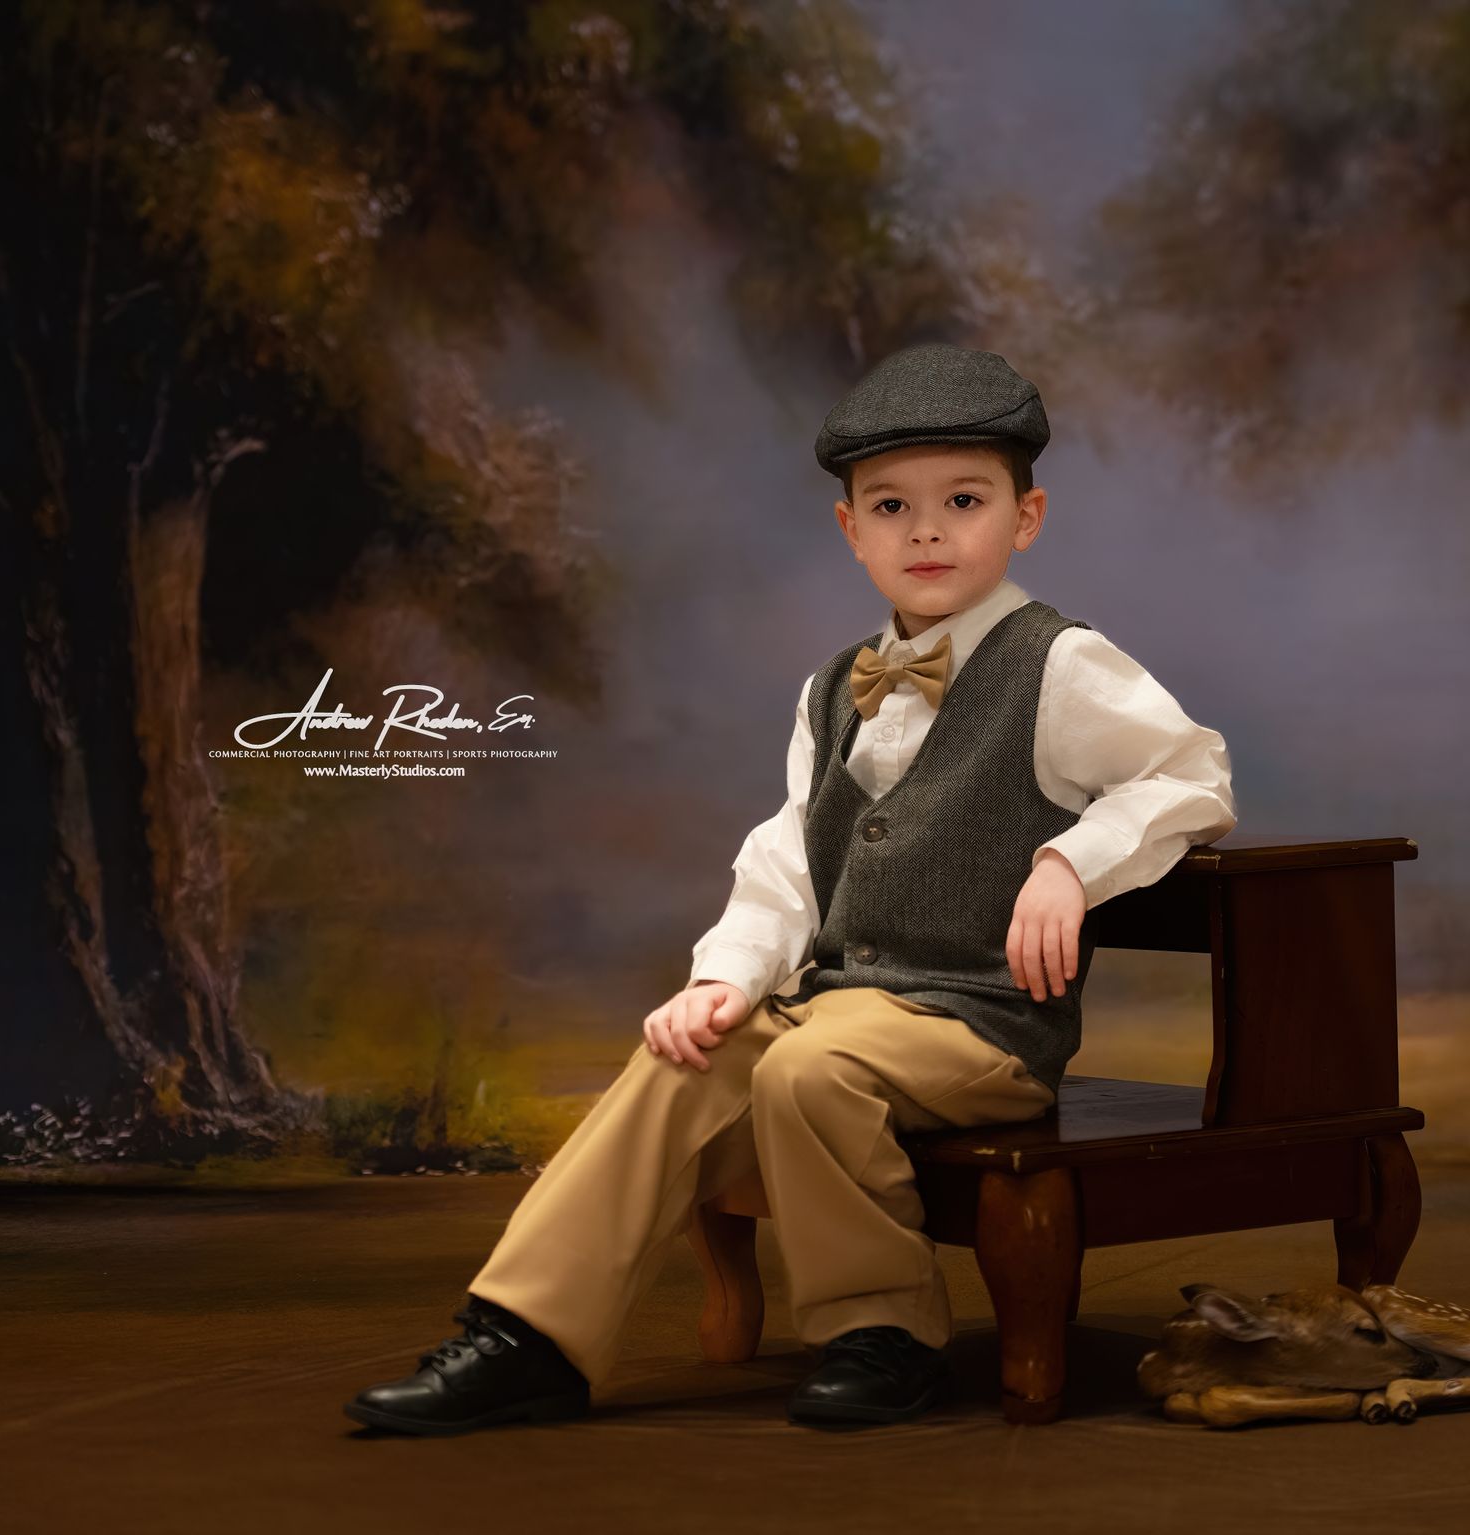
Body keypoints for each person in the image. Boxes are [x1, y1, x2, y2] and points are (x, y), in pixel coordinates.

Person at [343, 341, 1238, 1435]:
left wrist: (1068, 862)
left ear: (1027, 516)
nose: (927, 530)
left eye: (964, 499)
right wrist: (723, 978)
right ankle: (529, 1332)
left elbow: (1191, 773)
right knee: (691, 1055)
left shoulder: (1059, 663)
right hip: (846, 1004)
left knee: (813, 1066)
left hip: (983, 1023)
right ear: (850, 530)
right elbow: (786, 861)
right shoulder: (833, 689)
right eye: (891, 505)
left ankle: (884, 1334)